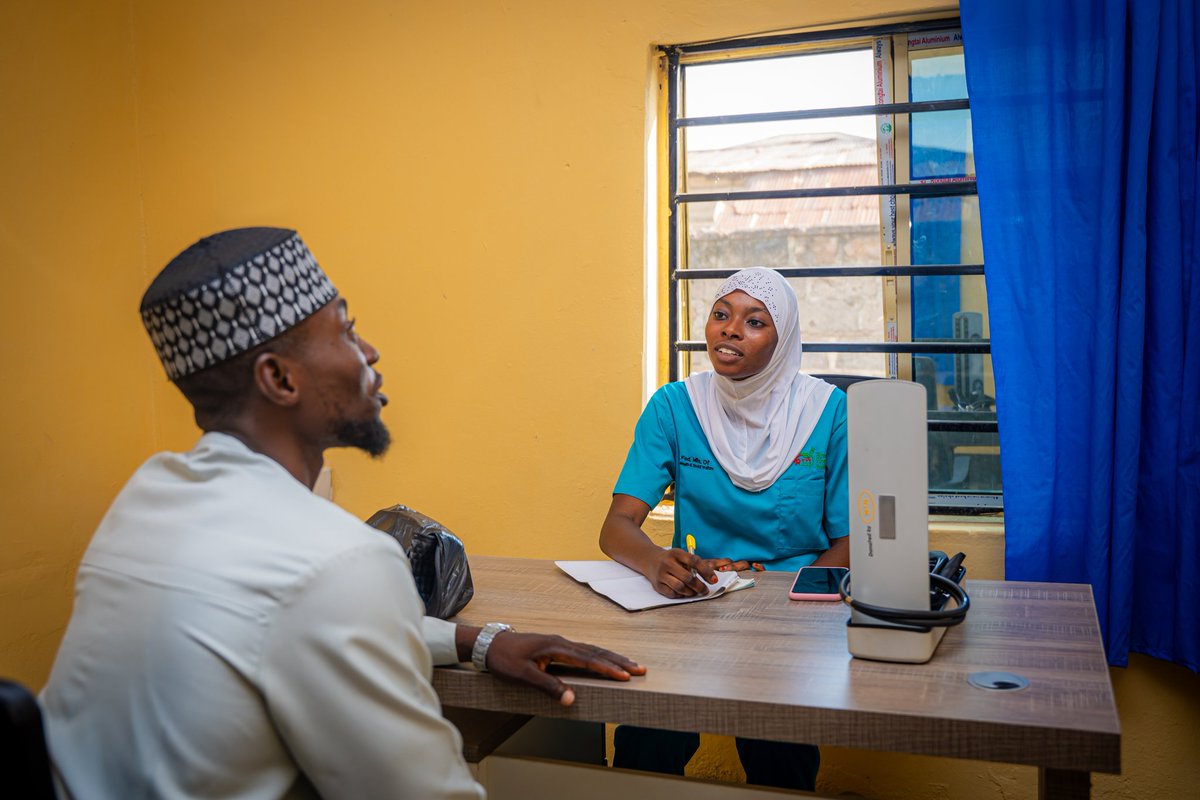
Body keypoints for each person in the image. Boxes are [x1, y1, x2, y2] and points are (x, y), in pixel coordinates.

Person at [41, 227, 645, 800]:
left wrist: (480, 640)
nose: (370, 351)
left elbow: (275, 618)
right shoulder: (340, 560)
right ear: (279, 378)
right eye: (347, 331)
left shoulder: (146, 498)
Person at [598, 266, 847, 790]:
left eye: (754, 322)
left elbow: (851, 544)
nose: (729, 330)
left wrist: (787, 592)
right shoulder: (675, 405)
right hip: (694, 606)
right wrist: (655, 562)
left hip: (790, 621)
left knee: (780, 754)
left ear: (783, 342)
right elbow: (617, 526)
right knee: (647, 739)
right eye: (720, 315)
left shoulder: (826, 412)